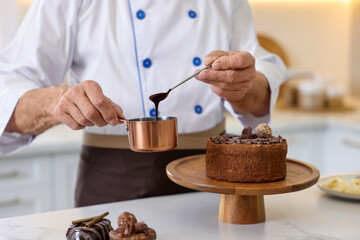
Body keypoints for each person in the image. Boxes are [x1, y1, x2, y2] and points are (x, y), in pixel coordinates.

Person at [0, 0, 286, 207]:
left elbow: (259, 77)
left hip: (213, 179)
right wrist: (55, 101)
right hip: (113, 181)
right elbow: (8, 90)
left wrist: (244, 86)